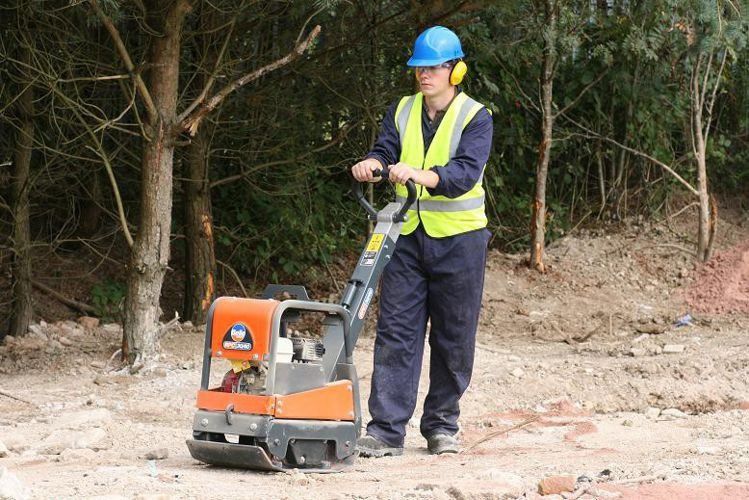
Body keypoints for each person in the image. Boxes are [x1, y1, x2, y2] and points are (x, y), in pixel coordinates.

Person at [351, 26, 493, 457]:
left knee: (453, 336)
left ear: (456, 70)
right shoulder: (402, 110)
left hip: (460, 241)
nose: (423, 74)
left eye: (432, 67)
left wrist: (418, 174)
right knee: (396, 332)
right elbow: (385, 148)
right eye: (419, 67)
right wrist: (373, 164)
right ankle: (386, 431)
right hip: (406, 239)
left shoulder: (475, 116)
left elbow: (463, 174)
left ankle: (441, 426)